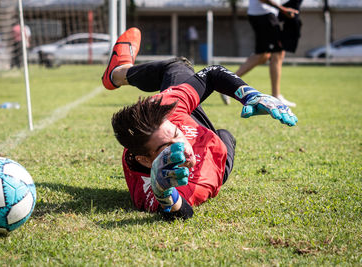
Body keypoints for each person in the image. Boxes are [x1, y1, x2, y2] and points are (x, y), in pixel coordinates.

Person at [102, 28, 297, 220]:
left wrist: (250, 95)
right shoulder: (183, 182)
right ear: (146, 160)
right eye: (169, 147)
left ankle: (117, 72)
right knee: (226, 136)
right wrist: (164, 193)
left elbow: (212, 74)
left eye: (176, 135)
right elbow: (181, 211)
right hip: (216, 152)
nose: (184, 147)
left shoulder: (166, 112)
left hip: (190, 123)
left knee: (178, 66)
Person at [221, 0, 299, 107]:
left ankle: (226, 83)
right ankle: (276, 95)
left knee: (263, 56)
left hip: (262, 14)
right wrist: (283, 9)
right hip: (265, 14)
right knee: (278, 52)